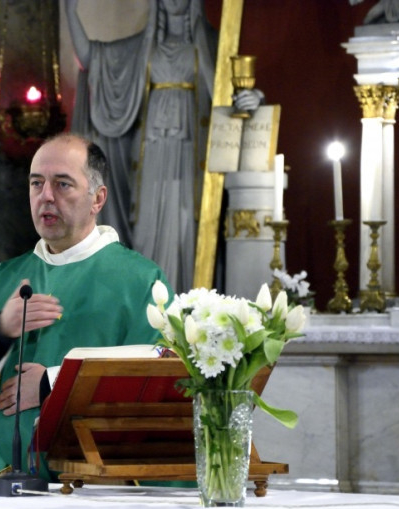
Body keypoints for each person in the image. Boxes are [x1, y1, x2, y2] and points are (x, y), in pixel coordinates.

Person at [0, 133, 172, 473]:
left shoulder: (139, 281)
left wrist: (52, 383)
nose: (46, 196)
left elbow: (159, 372)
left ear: (97, 199)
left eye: (62, 184)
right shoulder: (6, 279)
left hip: (89, 479)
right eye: (36, 183)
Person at [65, 0, 262, 292]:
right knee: (148, 226)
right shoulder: (142, 47)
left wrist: (252, 98)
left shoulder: (213, 44)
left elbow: (235, 94)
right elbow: (93, 58)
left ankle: (191, 302)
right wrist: (70, 11)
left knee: (187, 224)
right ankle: (149, 302)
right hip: (151, 154)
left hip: (193, 154)